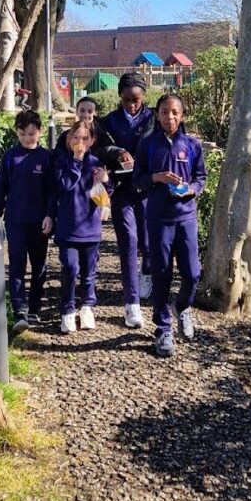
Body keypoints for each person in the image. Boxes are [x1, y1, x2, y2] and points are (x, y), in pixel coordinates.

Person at [132, 91, 206, 358]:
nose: (170, 117)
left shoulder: (193, 144)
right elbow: (137, 180)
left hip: (186, 217)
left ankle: (183, 307)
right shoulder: (148, 144)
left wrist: (192, 190)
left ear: (182, 115)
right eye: (164, 112)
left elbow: (201, 177)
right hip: (158, 218)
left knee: (192, 273)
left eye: (175, 112)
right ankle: (163, 329)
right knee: (162, 273)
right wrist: (157, 177)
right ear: (157, 114)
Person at [0, 108, 55, 335]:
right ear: (17, 133)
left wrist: (50, 215)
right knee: (17, 265)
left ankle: (35, 305)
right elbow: (0, 189)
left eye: (33, 134)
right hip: (15, 221)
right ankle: (20, 308)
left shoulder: (47, 158)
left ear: (39, 132)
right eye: (25, 134)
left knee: (39, 266)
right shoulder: (10, 158)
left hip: (39, 222)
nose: (29, 138)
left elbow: (52, 191)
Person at [98, 71, 155, 329]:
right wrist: (117, 151)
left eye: (136, 99)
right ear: (119, 96)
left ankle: (147, 270)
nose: (131, 104)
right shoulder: (109, 121)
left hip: (148, 190)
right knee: (128, 243)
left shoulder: (154, 118)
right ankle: (131, 304)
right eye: (126, 99)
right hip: (122, 190)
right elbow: (99, 148)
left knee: (148, 242)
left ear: (143, 96)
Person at [53, 117, 112, 334]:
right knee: (70, 268)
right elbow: (64, 185)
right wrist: (77, 161)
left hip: (90, 229)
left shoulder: (95, 163)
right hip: (68, 228)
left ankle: (87, 306)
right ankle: (67, 310)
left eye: (84, 138)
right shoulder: (61, 161)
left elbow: (105, 197)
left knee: (89, 272)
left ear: (91, 140)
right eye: (75, 137)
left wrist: (105, 180)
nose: (79, 142)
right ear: (69, 139)